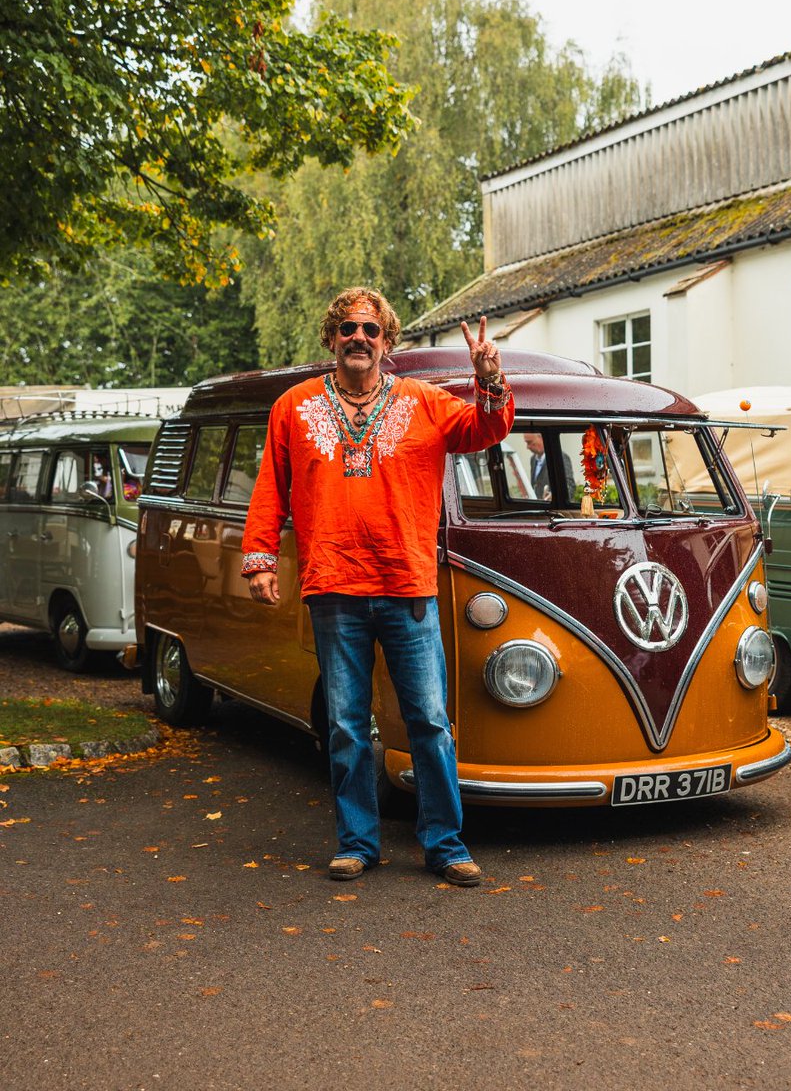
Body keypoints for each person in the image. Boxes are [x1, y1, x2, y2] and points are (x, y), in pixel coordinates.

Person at [241, 287, 514, 886]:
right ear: (331, 339)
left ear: (387, 341)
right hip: (334, 586)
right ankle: (358, 842)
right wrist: (260, 557)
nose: (358, 337)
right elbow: (271, 485)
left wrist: (488, 377)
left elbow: (485, 430)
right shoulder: (293, 406)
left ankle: (445, 844)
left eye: (370, 328)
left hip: (406, 584)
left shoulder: (424, 401)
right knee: (345, 723)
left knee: (430, 722)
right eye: (346, 329)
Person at [524, 431, 575, 501]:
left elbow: (569, 485)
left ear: (542, 438)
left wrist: (554, 496)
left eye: (529, 442)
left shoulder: (560, 457)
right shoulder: (533, 459)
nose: (527, 447)